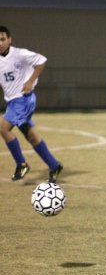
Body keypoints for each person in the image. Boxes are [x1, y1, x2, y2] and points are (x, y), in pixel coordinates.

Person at [0, 26, 63, 182]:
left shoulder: (19, 54)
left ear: (9, 40)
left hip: (23, 99)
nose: (0, 43)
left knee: (3, 128)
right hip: (13, 102)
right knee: (30, 136)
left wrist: (30, 81)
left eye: (2, 39)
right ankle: (54, 165)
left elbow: (41, 61)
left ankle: (21, 164)